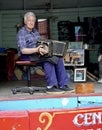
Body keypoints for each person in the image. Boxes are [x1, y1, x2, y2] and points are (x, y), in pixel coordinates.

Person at [17, 11, 74, 94]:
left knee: (58, 57)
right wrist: (37, 50)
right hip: (27, 55)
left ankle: (63, 85)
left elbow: (41, 43)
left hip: (38, 54)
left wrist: (46, 49)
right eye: (29, 20)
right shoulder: (21, 32)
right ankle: (51, 86)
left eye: (33, 20)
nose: (31, 22)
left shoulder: (35, 31)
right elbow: (23, 50)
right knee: (48, 59)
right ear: (25, 21)